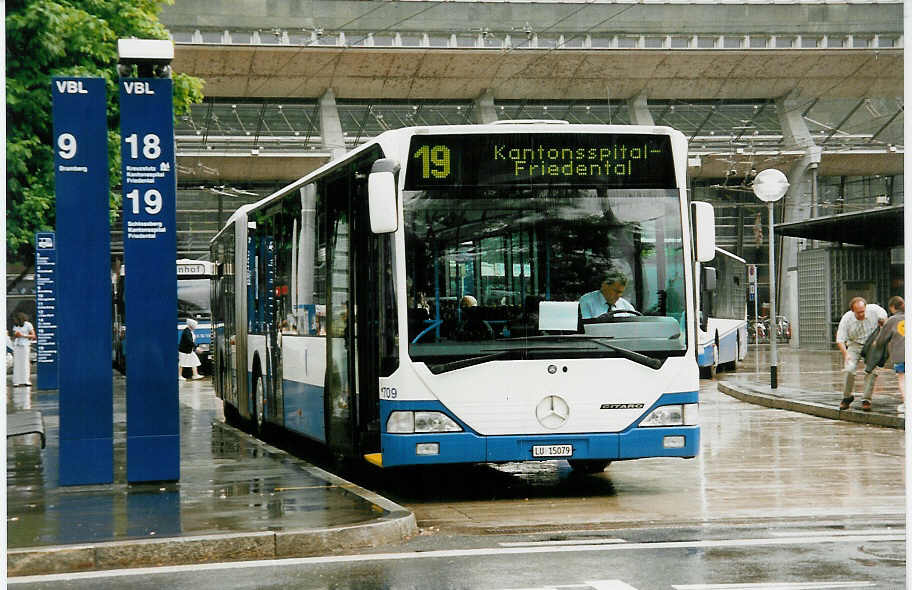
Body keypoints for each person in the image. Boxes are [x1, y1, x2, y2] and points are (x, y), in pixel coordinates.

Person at [836, 297, 887, 411]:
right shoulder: (847, 319)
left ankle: (866, 399)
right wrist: (846, 355)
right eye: (858, 312)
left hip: (871, 344)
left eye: (863, 311)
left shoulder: (874, 310)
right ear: (852, 311)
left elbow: (885, 319)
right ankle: (847, 397)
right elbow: (840, 340)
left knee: (872, 371)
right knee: (849, 369)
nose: (862, 314)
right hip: (854, 344)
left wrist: (882, 323)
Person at [874, 296, 905, 414]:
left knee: (903, 379)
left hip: (900, 355)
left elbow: (882, 340)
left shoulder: (892, 320)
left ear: (892, 307)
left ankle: (907, 404)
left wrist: (875, 345)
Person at [11, 312, 36, 387]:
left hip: (25, 345)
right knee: (17, 363)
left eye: (15, 319)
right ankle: (16, 380)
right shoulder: (15, 326)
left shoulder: (28, 324)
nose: (14, 320)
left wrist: (23, 335)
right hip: (17, 345)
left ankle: (26, 380)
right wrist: (15, 335)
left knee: (25, 362)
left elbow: (33, 335)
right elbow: (14, 335)